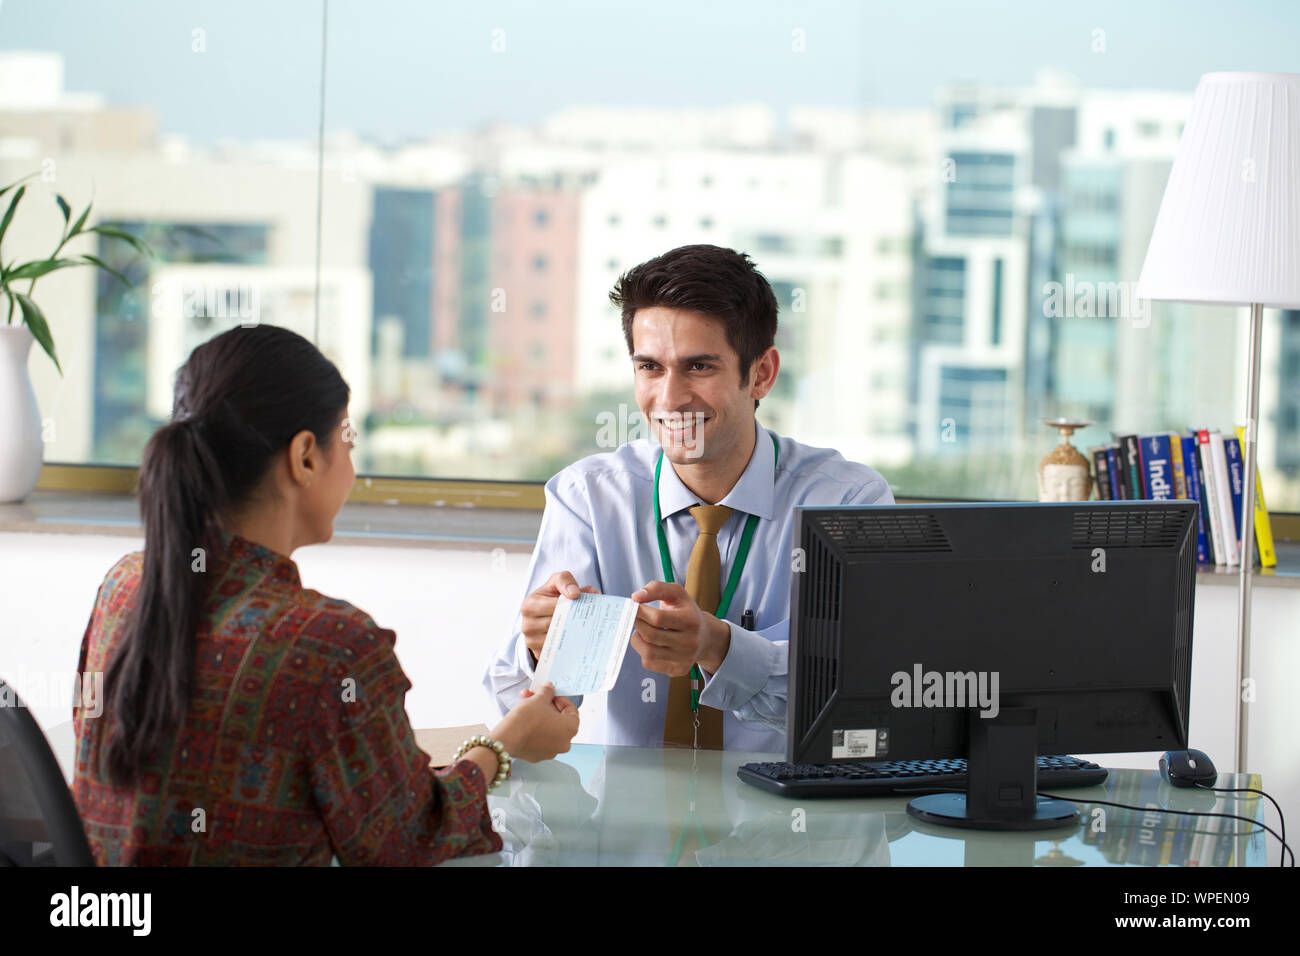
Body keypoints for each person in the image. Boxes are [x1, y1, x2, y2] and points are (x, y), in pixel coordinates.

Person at [72, 324, 578, 866]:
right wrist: (506, 743)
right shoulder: (330, 646)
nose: (352, 464)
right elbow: (409, 839)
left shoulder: (125, 585)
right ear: (306, 457)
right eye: (347, 439)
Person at [484, 244, 894, 753]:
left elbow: (860, 704)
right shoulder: (587, 497)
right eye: (650, 367)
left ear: (761, 373)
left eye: (698, 367)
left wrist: (717, 646)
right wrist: (539, 649)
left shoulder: (848, 501)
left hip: (789, 822)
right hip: (633, 823)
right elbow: (520, 714)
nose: (671, 398)